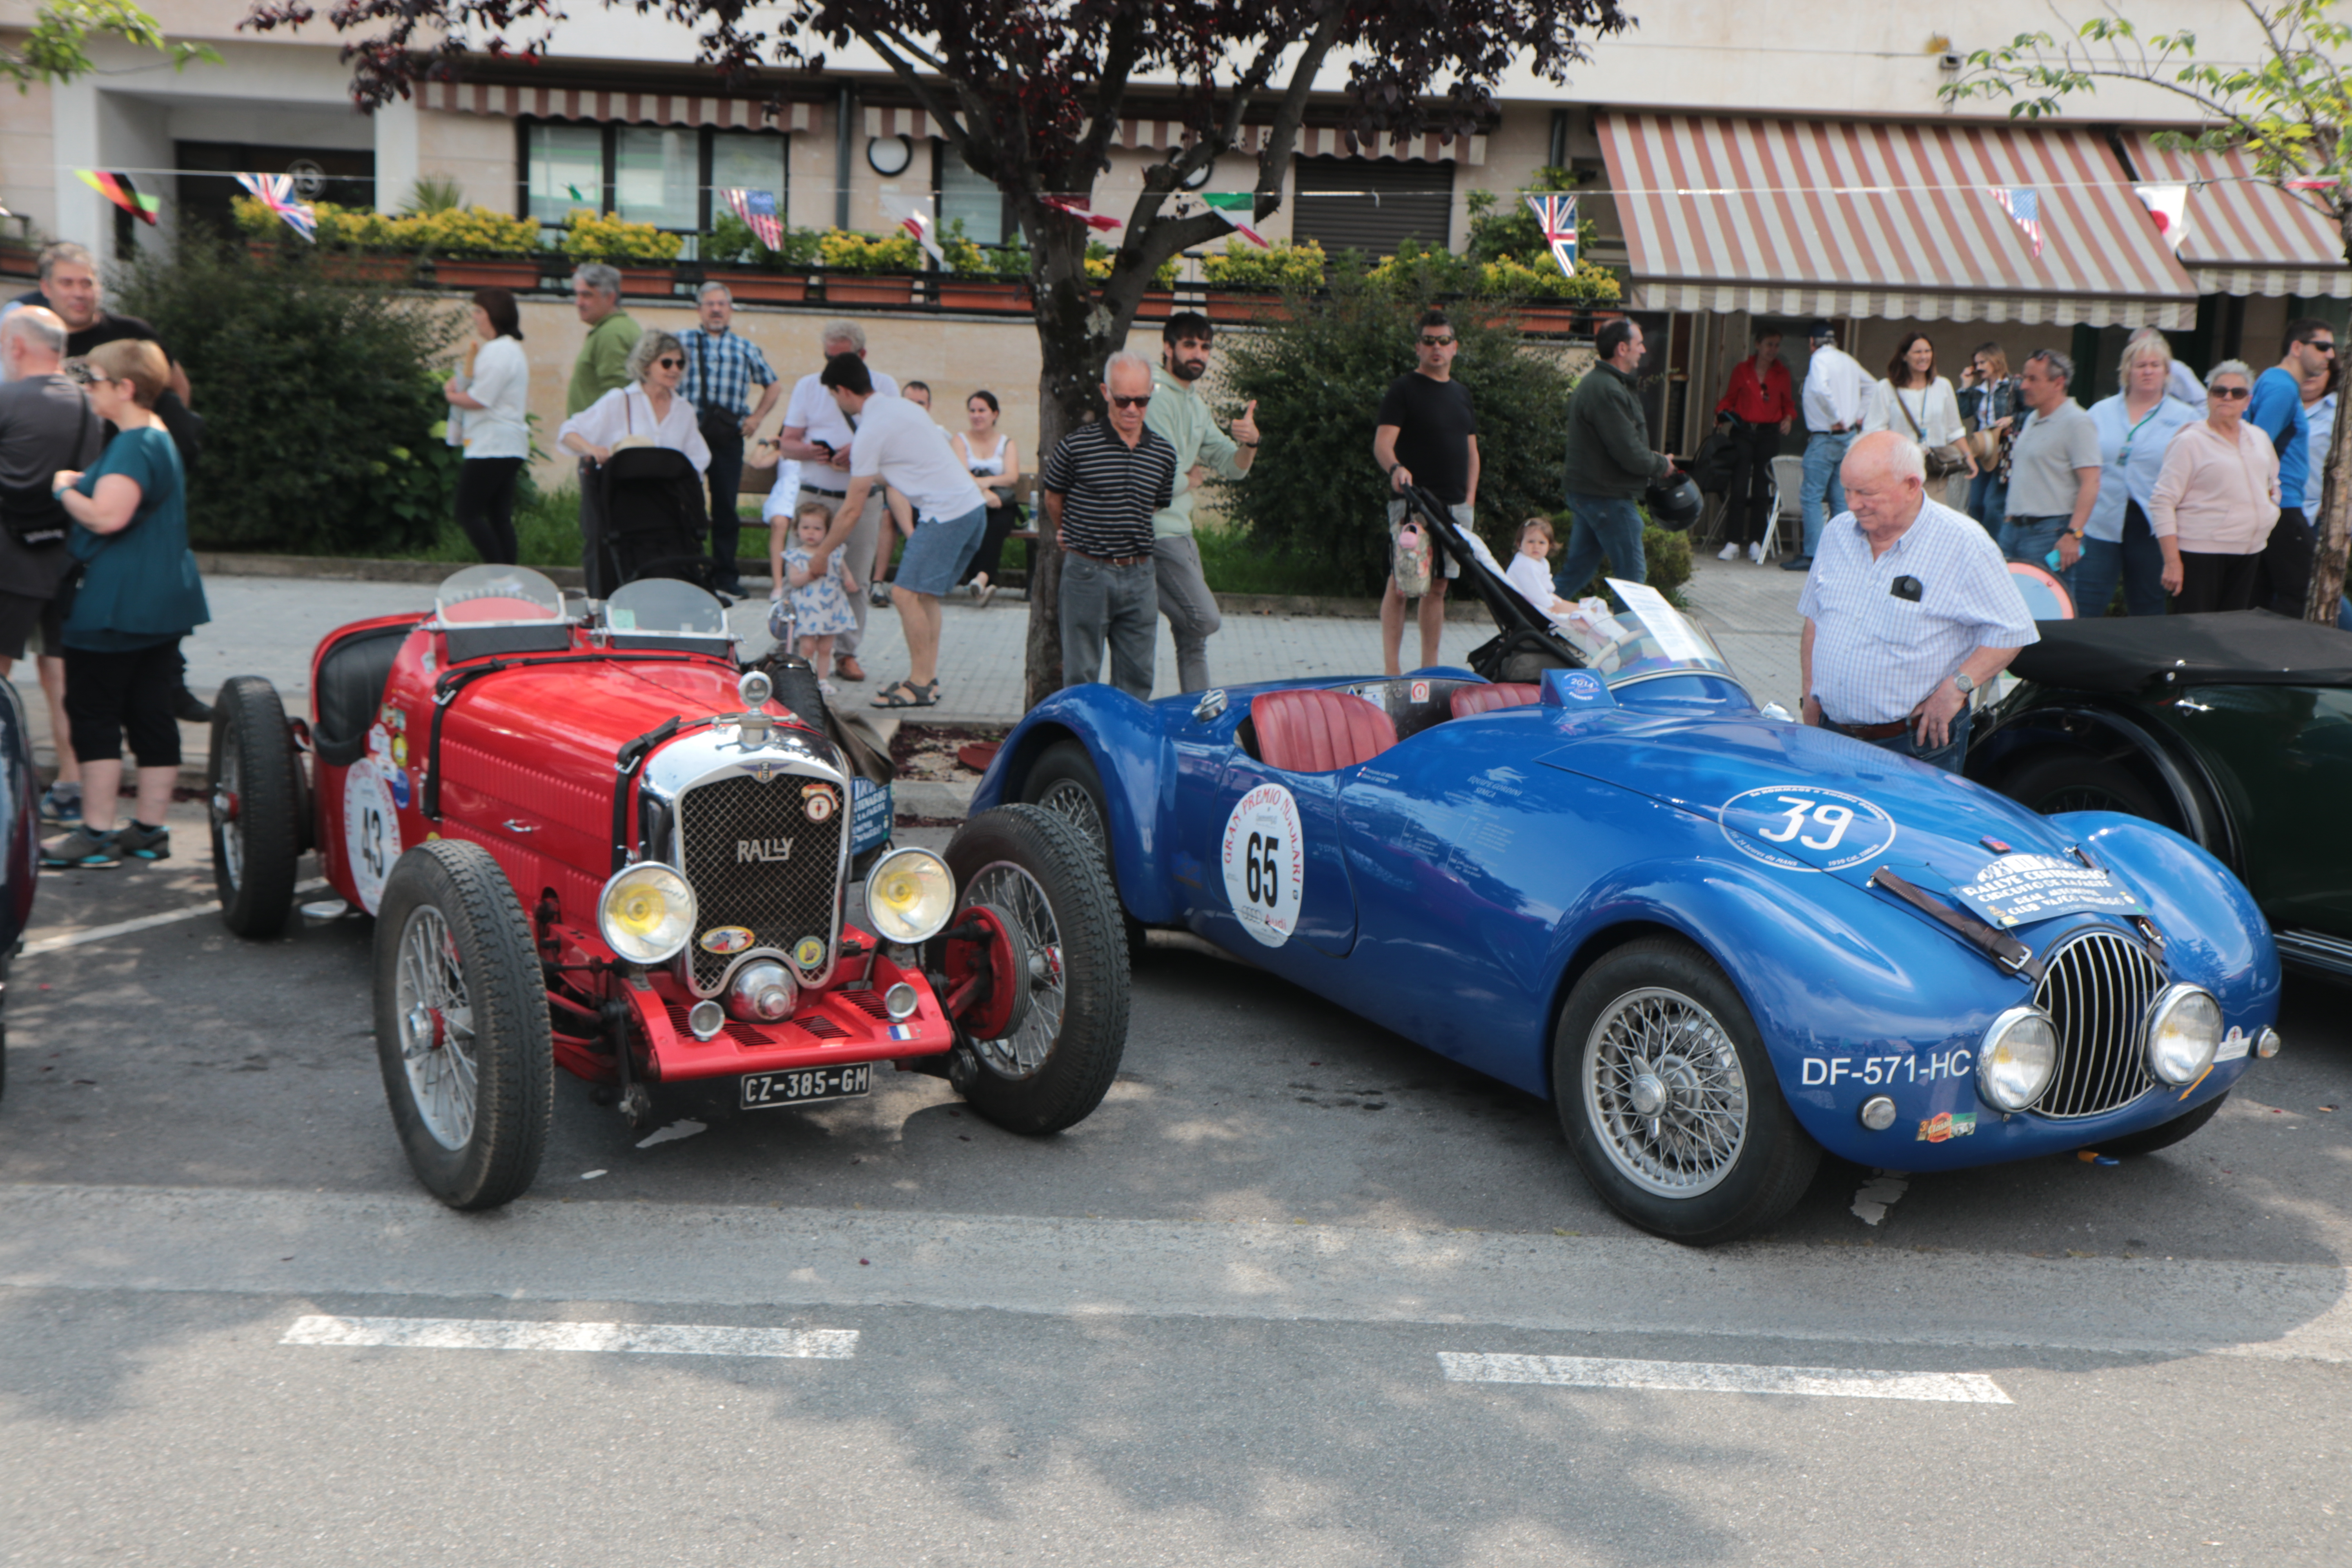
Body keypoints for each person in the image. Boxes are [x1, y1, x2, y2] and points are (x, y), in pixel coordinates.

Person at [20, 240, 209, 722]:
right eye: (67, 282)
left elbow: (174, 386)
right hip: (54, 488)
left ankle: (167, 687)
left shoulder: (129, 335)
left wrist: (156, 439)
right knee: (63, 598)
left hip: (121, 476)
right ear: (45, 288)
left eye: (88, 282)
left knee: (143, 584)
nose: (80, 293)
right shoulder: (37, 334)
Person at [39, 339, 209, 868]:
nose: (86, 390)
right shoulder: (158, 436)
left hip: (114, 606)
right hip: (160, 601)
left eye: (92, 380)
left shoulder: (135, 443)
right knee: (151, 712)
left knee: (94, 714)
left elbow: (107, 516)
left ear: (125, 387)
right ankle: (149, 830)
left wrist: (65, 487)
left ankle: (93, 833)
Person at [1797, 432, 2036, 773]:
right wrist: (1809, 693)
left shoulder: (1963, 544)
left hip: (1913, 747)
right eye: (1847, 490)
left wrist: (1958, 688)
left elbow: (2013, 630)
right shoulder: (1837, 533)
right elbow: (1814, 619)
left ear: (1911, 485)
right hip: (1831, 736)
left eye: (1866, 493)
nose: (1852, 504)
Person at [813, 354, 989, 708]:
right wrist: (863, 463)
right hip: (972, 509)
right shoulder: (903, 409)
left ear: (844, 391)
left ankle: (920, 683)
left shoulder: (871, 429)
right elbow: (904, 466)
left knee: (904, 594)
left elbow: (851, 510)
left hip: (947, 515)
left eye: (834, 396)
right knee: (924, 596)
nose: (836, 402)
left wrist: (821, 554)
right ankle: (928, 679)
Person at [0, 307, 102, 829]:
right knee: (61, 673)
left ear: (16, 346)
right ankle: (72, 784)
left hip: (8, 562)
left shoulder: (6, 399)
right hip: (66, 557)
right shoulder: (88, 405)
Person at [1044, 352, 1179, 702]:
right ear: (1106, 392)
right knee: (1081, 677)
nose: (1132, 408)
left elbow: (1152, 505)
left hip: (1140, 575)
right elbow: (1053, 497)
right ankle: (1081, 751)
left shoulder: (1163, 454)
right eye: (1122, 400)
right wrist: (1069, 532)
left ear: (1151, 394)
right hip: (1087, 573)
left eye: (1141, 400)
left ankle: (1127, 753)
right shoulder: (1076, 446)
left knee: (1138, 678)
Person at [774, 322, 900, 682]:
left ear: (861, 356)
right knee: (801, 572)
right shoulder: (808, 386)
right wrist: (811, 451)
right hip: (815, 497)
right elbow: (787, 443)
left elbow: (894, 443)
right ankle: (793, 649)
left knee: (855, 578)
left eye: (840, 358)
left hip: (861, 497)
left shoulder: (885, 386)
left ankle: (846, 653)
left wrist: (858, 451)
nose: (831, 366)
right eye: (828, 357)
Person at [1145, 311, 1259, 692]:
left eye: (1206, 347)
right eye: (1190, 345)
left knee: (1194, 643)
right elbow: (1158, 478)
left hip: (1182, 531)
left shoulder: (1195, 404)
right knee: (1205, 620)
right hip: (1158, 534)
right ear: (1168, 347)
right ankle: (1140, 582)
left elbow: (1234, 467)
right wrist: (1190, 478)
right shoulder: (1155, 397)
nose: (1199, 354)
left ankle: (1199, 727)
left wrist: (1250, 443)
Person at [556, 331, 711, 590]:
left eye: (680, 364)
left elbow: (698, 459)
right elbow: (569, 432)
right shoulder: (620, 400)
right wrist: (593, 449)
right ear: (646, 364)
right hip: (620, 506)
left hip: (664, 508)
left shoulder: (684, 410)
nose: (675, 369)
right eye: (667, 363)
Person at [1372, 308, 1478, 676]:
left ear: (1455, 348)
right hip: (1413, 505)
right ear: (1418, 347)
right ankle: (1391, 671)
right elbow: (1383, 444)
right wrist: (1396, 468)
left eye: (1444, 341)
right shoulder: (1403, 390)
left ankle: (1429, 670)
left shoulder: (1462, 394)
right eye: (1430, 341)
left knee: (1438, 588)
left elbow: (1472, 452)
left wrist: (1470, 500)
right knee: (1402, 583)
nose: (1437, 347)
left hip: (1454, 506)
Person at [2075, 335, 2198, 619]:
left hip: (2151, 523)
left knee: (2147, 605)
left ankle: (2147, 663)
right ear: (2127, 371)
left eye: (2156, 365)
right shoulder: (2100, 412)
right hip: (2101, 519)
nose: (2148, 371)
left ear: (2167, 372)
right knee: (2087, 601)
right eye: (2141, 365)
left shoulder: (2186, 417)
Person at [2149, 361, 2280, 614]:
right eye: (2219, 391)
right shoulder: (2189, 441)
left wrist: (2270, 510)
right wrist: (2172, 561)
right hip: (2200, 551)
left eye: (2237, 393)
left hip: (2250, 549)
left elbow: (2274, 482)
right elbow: (2163, 501)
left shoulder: (2259, 437)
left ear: (2248, 401)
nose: (2227, 397)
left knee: (2231, 631)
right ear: (2209, 397)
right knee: (2195, 631)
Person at [678, 283, 781, 597]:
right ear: (699, 309)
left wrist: (756, 418)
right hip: (687, 436)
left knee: (726, 507)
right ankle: (688, 569)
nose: (716, 310)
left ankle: (726, 575)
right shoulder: (680, 342)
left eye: (722, 304)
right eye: (710, 304)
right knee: (686, 505)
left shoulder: (745, 347)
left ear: (731, 309)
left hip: (728, 437)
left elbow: (773, 385)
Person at [1558, 316, 1672, 597]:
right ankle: (1630, 643)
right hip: (1608, 497)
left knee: (1577, 571)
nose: (1643, 350)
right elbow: (1629, 453)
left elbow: (1622, 445)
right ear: (1622, 349)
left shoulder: (1603, 384)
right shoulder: (1608, 389)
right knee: (1632, 581)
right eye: (1639, 344)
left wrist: (1649, 457)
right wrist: (1661, 465)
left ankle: (1529, 627)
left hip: (1593, 493)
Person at [2247, 317, 2334, 615]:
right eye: (2322, 346)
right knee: (2304, 590)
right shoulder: (2283, 388)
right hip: (2282, 507)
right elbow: (2257, 447)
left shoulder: (2273, 381)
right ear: (2297, 347)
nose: (2331, 355)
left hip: (2274, 507)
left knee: (2260, 595)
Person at [564, 263, 641, 597]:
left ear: (610, 297)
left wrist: (595, 447)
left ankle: (602, 609)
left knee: (599, 537)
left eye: (587, 295)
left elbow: (616, 397)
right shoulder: (609, 329)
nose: (579, 302)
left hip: (604, 456)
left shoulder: (612, 334)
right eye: (577, 294)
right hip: (601, 453)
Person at [441, 287, 530, 565]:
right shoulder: (509, 351)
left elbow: (481, 398)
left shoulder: (497, 351)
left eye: (479, 312)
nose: (475, 318)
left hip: (492, 444)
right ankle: (509, 577)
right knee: (498, 516)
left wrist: (451, 395)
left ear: (494, 315)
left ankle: (499, 573)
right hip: (508, 444)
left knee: (467, 512)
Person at [1999, 349, 2101, 571]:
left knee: (2048, 603)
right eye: (2024, 378)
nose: (2023, 386)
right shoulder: (2032, 419)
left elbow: (2091, 482)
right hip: (2013, 530)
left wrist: (2074, 534)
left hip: (2049, 533)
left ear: (2058, 383)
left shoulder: (2077, 422)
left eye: (2033, 379)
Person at [1862, 331, 1975, 511]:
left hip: (1935, 470)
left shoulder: (1943, 386)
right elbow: (1874, 432)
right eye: (1918, 352)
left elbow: (1954, 430)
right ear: (1904, 356)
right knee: (1901, 518)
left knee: (1934, 519)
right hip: (1899, 471)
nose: (1924, 357)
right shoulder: (1886, 388)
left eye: (1928, 351)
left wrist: (1969, 456)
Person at [1785, 319, 1866, 570]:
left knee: (1811, 497)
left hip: (1825, 437)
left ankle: (1813, 555)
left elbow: (1820, 389)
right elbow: (1874, 386)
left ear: (1813, 343)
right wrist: (1857, 416)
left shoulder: (1819, 359)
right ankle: (1839, 556)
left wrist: (1837, 419)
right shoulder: (1848, 360)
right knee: (1840, 499)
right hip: (1846, 440)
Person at [1711, 325, 1793, 563]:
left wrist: (1788, 419)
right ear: (1758, 345)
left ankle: (1757, 541)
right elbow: (1729, 398)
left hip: (1768, 433)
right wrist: (1721, 413)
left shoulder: (1782, 374)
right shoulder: (1742, 370)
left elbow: (1788, 404)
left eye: (1777, 345)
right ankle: (1733, 542)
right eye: (1769, 344)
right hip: (1744, 431)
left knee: (1761, 489)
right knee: (1738, 487)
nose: (1773, 350)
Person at [952, 390, 1022, 606]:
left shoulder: (1006, 443)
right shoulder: (960, 440)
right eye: (972, 411)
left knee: (998, 523)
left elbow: (1012, 477)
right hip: (970, 502)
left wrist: (987, 483)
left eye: (982, 410)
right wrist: (983, 493)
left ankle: (980, 580)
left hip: (1000, 503)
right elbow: (961, 474)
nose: (976, 415)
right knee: (976, 521)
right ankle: (984, 581)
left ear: (995, 414)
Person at [781, 501, 859, 677]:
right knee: (808, 646)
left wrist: (849, 580)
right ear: (797, 530)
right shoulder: (796, 556)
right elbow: (794, 581)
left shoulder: (835, 552)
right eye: (806, 527)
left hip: (831, 606)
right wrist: (808, 575)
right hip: (807, 608)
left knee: (826, 648)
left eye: (817, 529)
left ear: (827, 531)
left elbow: (844, 570)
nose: (811, 532)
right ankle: (805, 678)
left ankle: (823, 680)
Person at [1956, 342, 2019, 534]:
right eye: (1976, 363)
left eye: (1983, 362)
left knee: (1992, 505)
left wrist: (2012, 419)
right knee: (1975, 504)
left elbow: (2029, 413)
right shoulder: (1978, 390)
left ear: (1995, 360)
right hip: (1982, 449)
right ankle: (1977, 542)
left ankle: (1993, 546)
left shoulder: (2013, 386)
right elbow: (1962, 412)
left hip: (2003, 450)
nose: (1978, 367)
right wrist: (1965, 387)